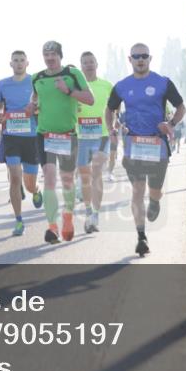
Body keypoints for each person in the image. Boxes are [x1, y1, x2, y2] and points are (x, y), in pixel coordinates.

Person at [105, 44, 185, 256]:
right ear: (129, 59)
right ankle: (141, 237)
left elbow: (181, 107)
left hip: (157, 144)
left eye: (144, 56)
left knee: (154, 191)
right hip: (134, 145)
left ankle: (155, 201)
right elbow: (110, 109)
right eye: (136, 56)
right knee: (138, 190)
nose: (140, 59)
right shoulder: (122, 86)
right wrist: (111, 128)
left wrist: (171, 124)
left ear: (150, 58)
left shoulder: (163, 83)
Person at [25, 41, 93, 243]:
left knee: (67, 180)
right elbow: (35, 98)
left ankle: (68, 217)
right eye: (46, 54)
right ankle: (52, 227)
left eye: (53, 54)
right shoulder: (37, 77)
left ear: (60, 56)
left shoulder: (73, 74)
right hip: (44, 135)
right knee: (49, 179)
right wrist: (31, 106)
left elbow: (90, 99)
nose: (49, 58)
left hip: (67, 135)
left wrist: (68, 91)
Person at [0, 50, 43, 237]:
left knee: (29, 184)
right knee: (14, 177)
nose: (19, 63)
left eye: (22, 60)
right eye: (16, 60)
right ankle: (19, 220)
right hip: (11, 136)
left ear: (27, 63)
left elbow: (42, 105)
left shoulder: (35, 82)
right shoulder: (2, 84)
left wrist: (35, 109)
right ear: (10, 64)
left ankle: (36, 191)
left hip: (31, 137)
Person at [74, 51, 113, 234]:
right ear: (81, 66)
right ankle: (88, 210)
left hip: (102, 136)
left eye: (91, 62)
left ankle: (95, 216)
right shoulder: (75, 88)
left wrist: (114, 125)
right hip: (81, 137)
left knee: (96, 173)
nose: (88, 65)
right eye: (85, 62)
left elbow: (114, 109)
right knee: (85, 176)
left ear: (97, 64)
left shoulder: (107, 86)